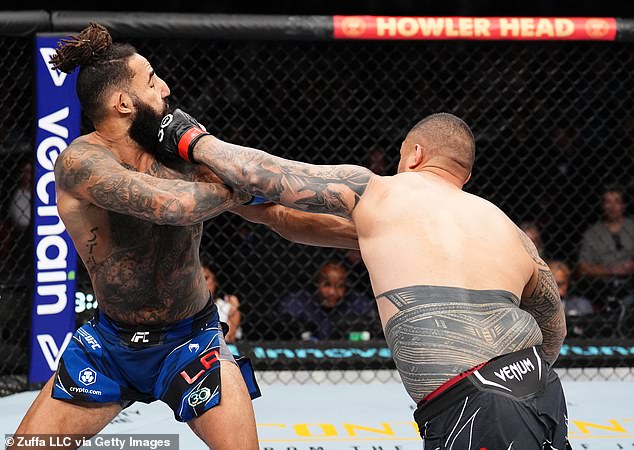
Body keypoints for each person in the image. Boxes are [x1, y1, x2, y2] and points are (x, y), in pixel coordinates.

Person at [11, 24, 358, 450]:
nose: (166, 89)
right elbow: (169, 207)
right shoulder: (81, 162)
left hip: (192, 340)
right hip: (108, 347)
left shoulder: (178, 158)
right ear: (123, 102)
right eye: (153, 81)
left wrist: (363, 239)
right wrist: (235, 179)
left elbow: (278, 215)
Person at [157, 110, 570, 449]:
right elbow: (554, 319)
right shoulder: (505, 227)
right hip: (540, 385)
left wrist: (188, 138)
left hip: (479, 405)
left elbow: (264, 174)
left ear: (414, 154)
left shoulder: (382, 191)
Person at [278, 260, 377, 340]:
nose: (332, 292)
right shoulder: (297, 302)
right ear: (316, 284)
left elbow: (372, 330)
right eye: (327, 285)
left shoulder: (359, 303)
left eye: (340, 286)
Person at [578, 185, 634, 307]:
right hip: (602, 287)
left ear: (624, 205)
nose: (612, 207)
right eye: (608, 202)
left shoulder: (632, 227)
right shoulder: (592, 233)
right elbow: (583, 267)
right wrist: (611, 270)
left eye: (617, 201)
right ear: (602, 205)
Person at [548, 259, 594, 337]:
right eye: (554, 284)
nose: (558, 290)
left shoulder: (581, 305)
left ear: (568, 283)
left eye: (561, 284)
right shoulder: (534, 308)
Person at [201, 264, 243, 343]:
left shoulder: (228, 307)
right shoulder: (186, 309)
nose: (202, 283)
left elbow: (229, 341)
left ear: (215, 280)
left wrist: (232, 314)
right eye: (198, 279)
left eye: (206, 278)